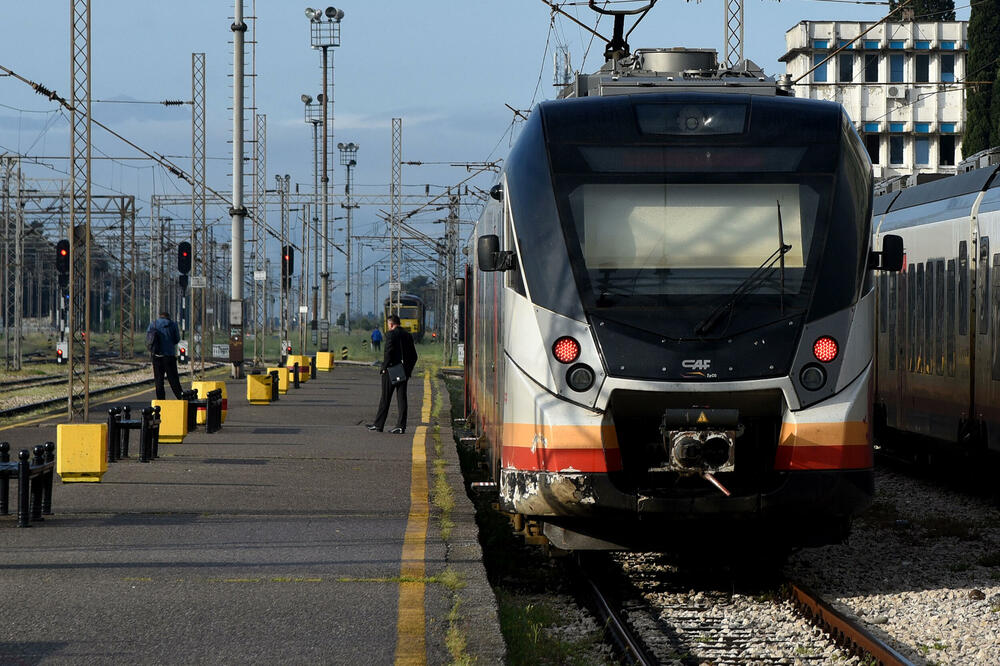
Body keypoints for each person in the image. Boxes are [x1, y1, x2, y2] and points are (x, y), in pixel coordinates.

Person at [366, 314, 417, 434]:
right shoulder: (408, 335)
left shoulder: (390, 335)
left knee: (385, 398)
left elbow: (388, 353)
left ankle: (378, 425)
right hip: (403, 371)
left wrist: (384, 368)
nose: (388, 327)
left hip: (391, 371)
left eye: (388, 325)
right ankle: (400, 426)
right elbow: (414, 356)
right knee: (402, 399)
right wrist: (407, 370)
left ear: (391, 324)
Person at [147, 311, 184, 400]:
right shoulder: (173, 324)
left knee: (159, 381)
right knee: (174, 380)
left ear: (159, 316)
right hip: (169, 356)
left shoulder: (153, 324)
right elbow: (177, 340)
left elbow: (148, 339)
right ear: (168, 317)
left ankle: (161, 402)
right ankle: (181, 398)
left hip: (157, 356)